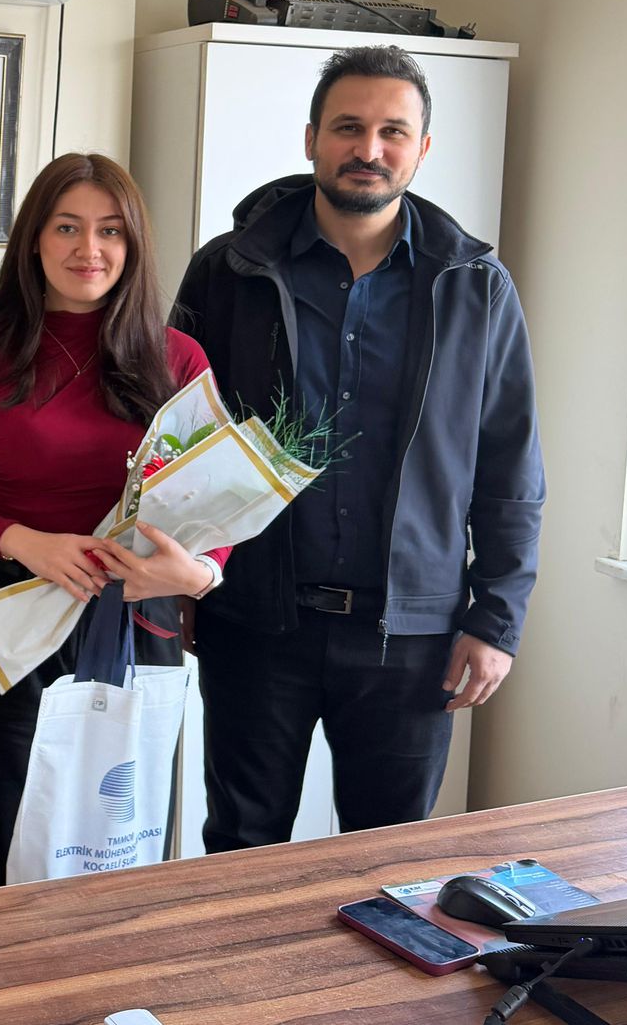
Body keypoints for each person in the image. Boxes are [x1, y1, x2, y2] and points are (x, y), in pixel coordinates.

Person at [172, 44, 545, 852]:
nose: (368, 148)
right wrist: (180, 576)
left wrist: (497, 619)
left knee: (388, 863)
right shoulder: (227, 271)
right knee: (240, 849)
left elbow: (510, 467)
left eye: (391, 131)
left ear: (422, 148)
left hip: (411, 634)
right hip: (254, 620)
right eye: (347, 127)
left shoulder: (477, 286)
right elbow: (181, 440)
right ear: (312, 138)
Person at [0, 153, 227, 892]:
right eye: (66, 227)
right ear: (34, 239)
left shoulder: (177, 359)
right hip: (10, 619)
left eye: (109, 231)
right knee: (0, 841)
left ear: (133, 245)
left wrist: (198, 573)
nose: (88, 249)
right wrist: (22, 541)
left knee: (119, 844)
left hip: (139, 620)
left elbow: (218, 501)